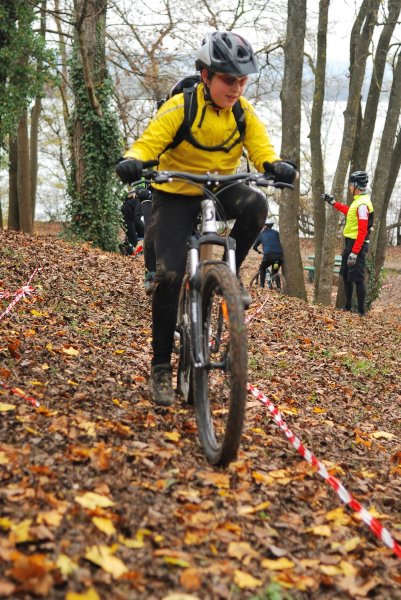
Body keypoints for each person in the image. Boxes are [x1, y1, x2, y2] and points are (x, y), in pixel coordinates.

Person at [116, 31, 297, 406]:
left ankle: (227, 275)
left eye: (242, 81)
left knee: (257, 205)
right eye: (229, 80)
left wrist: (274, 165)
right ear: (205, 77)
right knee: (168, 275)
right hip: (176, 192)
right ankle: (162, 366)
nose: (236, 89)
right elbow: (150, 141)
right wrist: (135, 160)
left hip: (220, 186)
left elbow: (261, 148)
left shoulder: (242, 113)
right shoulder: (180, 108)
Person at [322, 170, 374, 316]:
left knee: (357, 278)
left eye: (351, 184)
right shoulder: (357, 202)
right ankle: (348, 306)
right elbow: (348, 211)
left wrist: (355, 253)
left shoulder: (363, 204)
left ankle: (361, 312)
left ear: (356, 185)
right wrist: (332, 202)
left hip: (358, 244)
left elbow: (363, 231)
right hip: (350, 243)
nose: (350, 187)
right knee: (345, 274)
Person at [253, 219, 284, 287]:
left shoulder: (262, 234)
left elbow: (254, 246)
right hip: (279, 256)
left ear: (265, 225)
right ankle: (279, 287)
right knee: (275, 271)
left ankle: (262, 286)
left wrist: (258, 251)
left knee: (262, 268)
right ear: (272, 225)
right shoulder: (276, 233)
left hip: (268, 256)